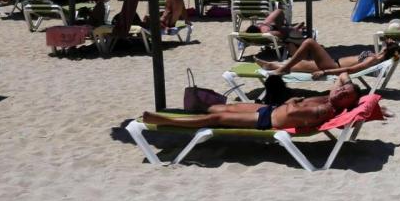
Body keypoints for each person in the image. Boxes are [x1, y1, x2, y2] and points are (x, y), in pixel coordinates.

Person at [142, 73, 361, 131]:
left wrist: (293, 100)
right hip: (271, 108)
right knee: (226, 107)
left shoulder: (325, 108)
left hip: (267, 119)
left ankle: (168, 120)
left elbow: (293, 115)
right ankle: (188, 110)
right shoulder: (332, 96)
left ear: (344, 103)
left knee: (218, 117)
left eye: (344, 95)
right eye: (342, 90)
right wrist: (352, 93)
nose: (340, 92)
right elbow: (343, 76)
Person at [257, 39, 400, 77]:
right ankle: (272, 65)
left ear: (387, 48)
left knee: (309, 43)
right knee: (301, 65)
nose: (386, 40)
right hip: (333, 63)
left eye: (387, 41)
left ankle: (281, 68)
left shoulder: (373, 60)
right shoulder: (376, 56)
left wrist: (325, 72)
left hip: (333, 67)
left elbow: (351, 69)